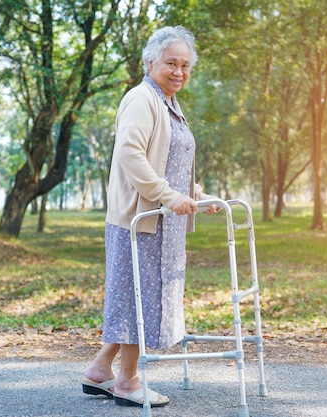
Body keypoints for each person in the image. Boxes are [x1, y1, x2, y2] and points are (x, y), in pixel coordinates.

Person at [82, 25, 219, 408]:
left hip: (163, 221)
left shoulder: (169, 103)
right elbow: (131, 155)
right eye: (171, 63)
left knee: (135, 299)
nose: (178, 71)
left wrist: (199, 197)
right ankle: (127, 382)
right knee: (137, 302)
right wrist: (165, 195)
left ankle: (99, 371)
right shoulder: (142, 98)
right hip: (140, 220)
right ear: (150, 62)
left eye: (185, 65)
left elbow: (170, 166)